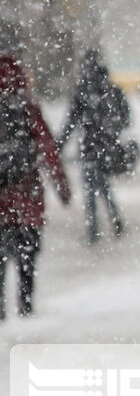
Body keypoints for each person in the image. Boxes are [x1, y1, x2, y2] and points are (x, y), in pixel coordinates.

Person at [0, 54, 71, 318]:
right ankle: (26, 306)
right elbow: (48, 149)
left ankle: (1, 311)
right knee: (27, 259)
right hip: (27, 200)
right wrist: (61, 186)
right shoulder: (28, 109)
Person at [59, 48, 130, 244]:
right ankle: (114, 221)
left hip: (89, 147)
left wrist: (59, 145)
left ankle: (94, 230)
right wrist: (112, 132)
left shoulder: (83, 90)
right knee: (104, 186)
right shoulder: (110, 88)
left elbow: (71, 121)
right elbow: (125, 117)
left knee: (91, 189)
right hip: (107, 146)